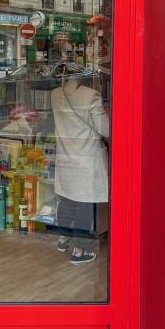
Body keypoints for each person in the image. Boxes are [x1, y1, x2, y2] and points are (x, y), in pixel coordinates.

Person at [50, 68, 109, 265]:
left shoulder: (55, 94)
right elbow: (105, 129)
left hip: (66, 157)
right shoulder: (91, 96)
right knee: (86, 202)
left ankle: (62, 240)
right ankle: (78, 252)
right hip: (86, 158)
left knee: (67, 198)